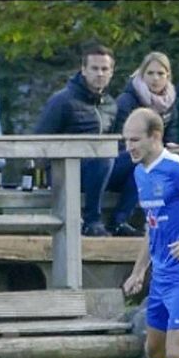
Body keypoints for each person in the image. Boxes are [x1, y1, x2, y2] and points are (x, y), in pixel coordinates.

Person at [121, 108, 179, 358]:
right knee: (156, 350)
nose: (128, 146)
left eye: (134, 140)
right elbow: (153, 226)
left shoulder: (178, 170)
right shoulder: (141, 174)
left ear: (155, 136)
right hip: (162, 277)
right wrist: (139, 271)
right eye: (126, 140)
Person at [35, 43, 118, 237]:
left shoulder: (111, 105)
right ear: (83, 70)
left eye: (105, 69)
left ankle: (119, 221)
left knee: (135, 163)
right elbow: (40, 140)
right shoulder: (62, 101)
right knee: (104, 158)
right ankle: (92, 221)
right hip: (63, 171)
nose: (100, 74)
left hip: (99, 170)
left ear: (111, 72)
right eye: (95, 68)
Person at [108, 52, 179, 237]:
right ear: (142, 75)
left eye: (160, 73)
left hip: (153, 157)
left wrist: (178, 150)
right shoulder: (127, 100)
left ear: (168, 76)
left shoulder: (171, 104)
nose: (155, 78)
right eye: (150, 73)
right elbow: (119, 140)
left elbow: (169, 140)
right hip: (118, 162)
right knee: (141, 161)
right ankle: (119, 220)